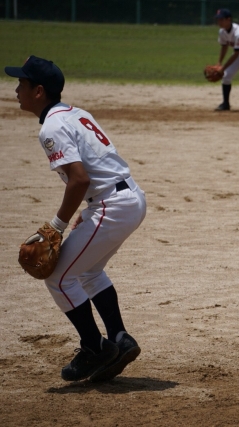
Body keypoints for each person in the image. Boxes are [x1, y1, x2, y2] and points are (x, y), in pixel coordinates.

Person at [5, 56, 147, 382]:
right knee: (88, 271)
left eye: (22, 83)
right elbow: (97, 169)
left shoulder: (51, 127)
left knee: (58, 278)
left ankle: (95, 348)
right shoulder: (75, 113)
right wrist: (89, 210)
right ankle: (119, 338)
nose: (16, 90)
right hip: (128, 198)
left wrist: (57, 225)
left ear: (39, 91)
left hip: (113, 204)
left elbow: (79, 179)